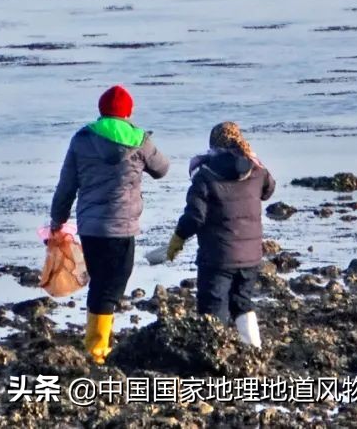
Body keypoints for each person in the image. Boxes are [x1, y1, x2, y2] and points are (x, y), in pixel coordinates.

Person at [50, 84, 170, 364]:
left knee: (102, 283)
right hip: (122, 226)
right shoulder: (140, 140)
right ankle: (97, 349)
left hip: (91, 226)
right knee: (111, 285)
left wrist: (58, 220)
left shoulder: (82, 138)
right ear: (128, 112)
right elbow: (162, 169)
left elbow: (67, 185)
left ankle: (96, 343)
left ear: (101, 110)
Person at [164, 120, 275, 348]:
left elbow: (195, 217)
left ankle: (214, 355)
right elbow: (269, 190)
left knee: (213, 307)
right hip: (251, 256)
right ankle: (254, 350)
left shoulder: (205, 175)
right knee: (242, 302)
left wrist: (178, 239)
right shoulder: (257, 169)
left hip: (217, 257)